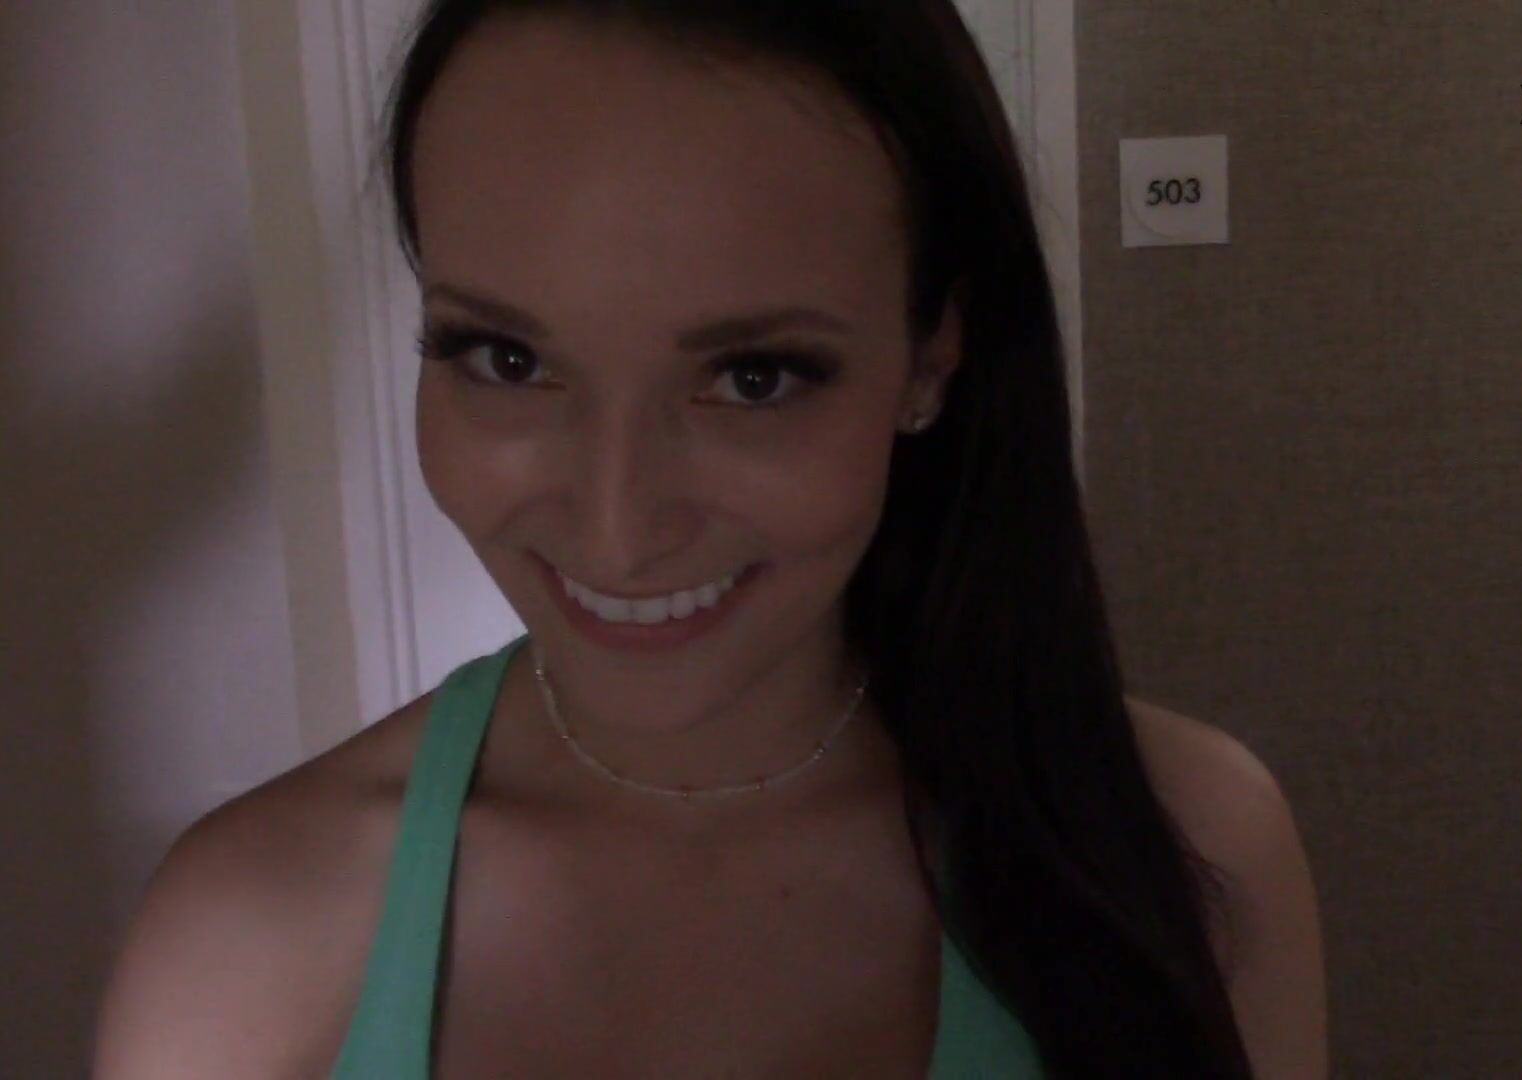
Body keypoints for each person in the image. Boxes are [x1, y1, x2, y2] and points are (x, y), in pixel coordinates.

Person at [93, 1, 1326, 1075]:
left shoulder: (1184, 854)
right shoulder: (243, 938)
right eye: (507, 358)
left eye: (752, 377)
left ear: (929, 357)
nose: (618, 530)